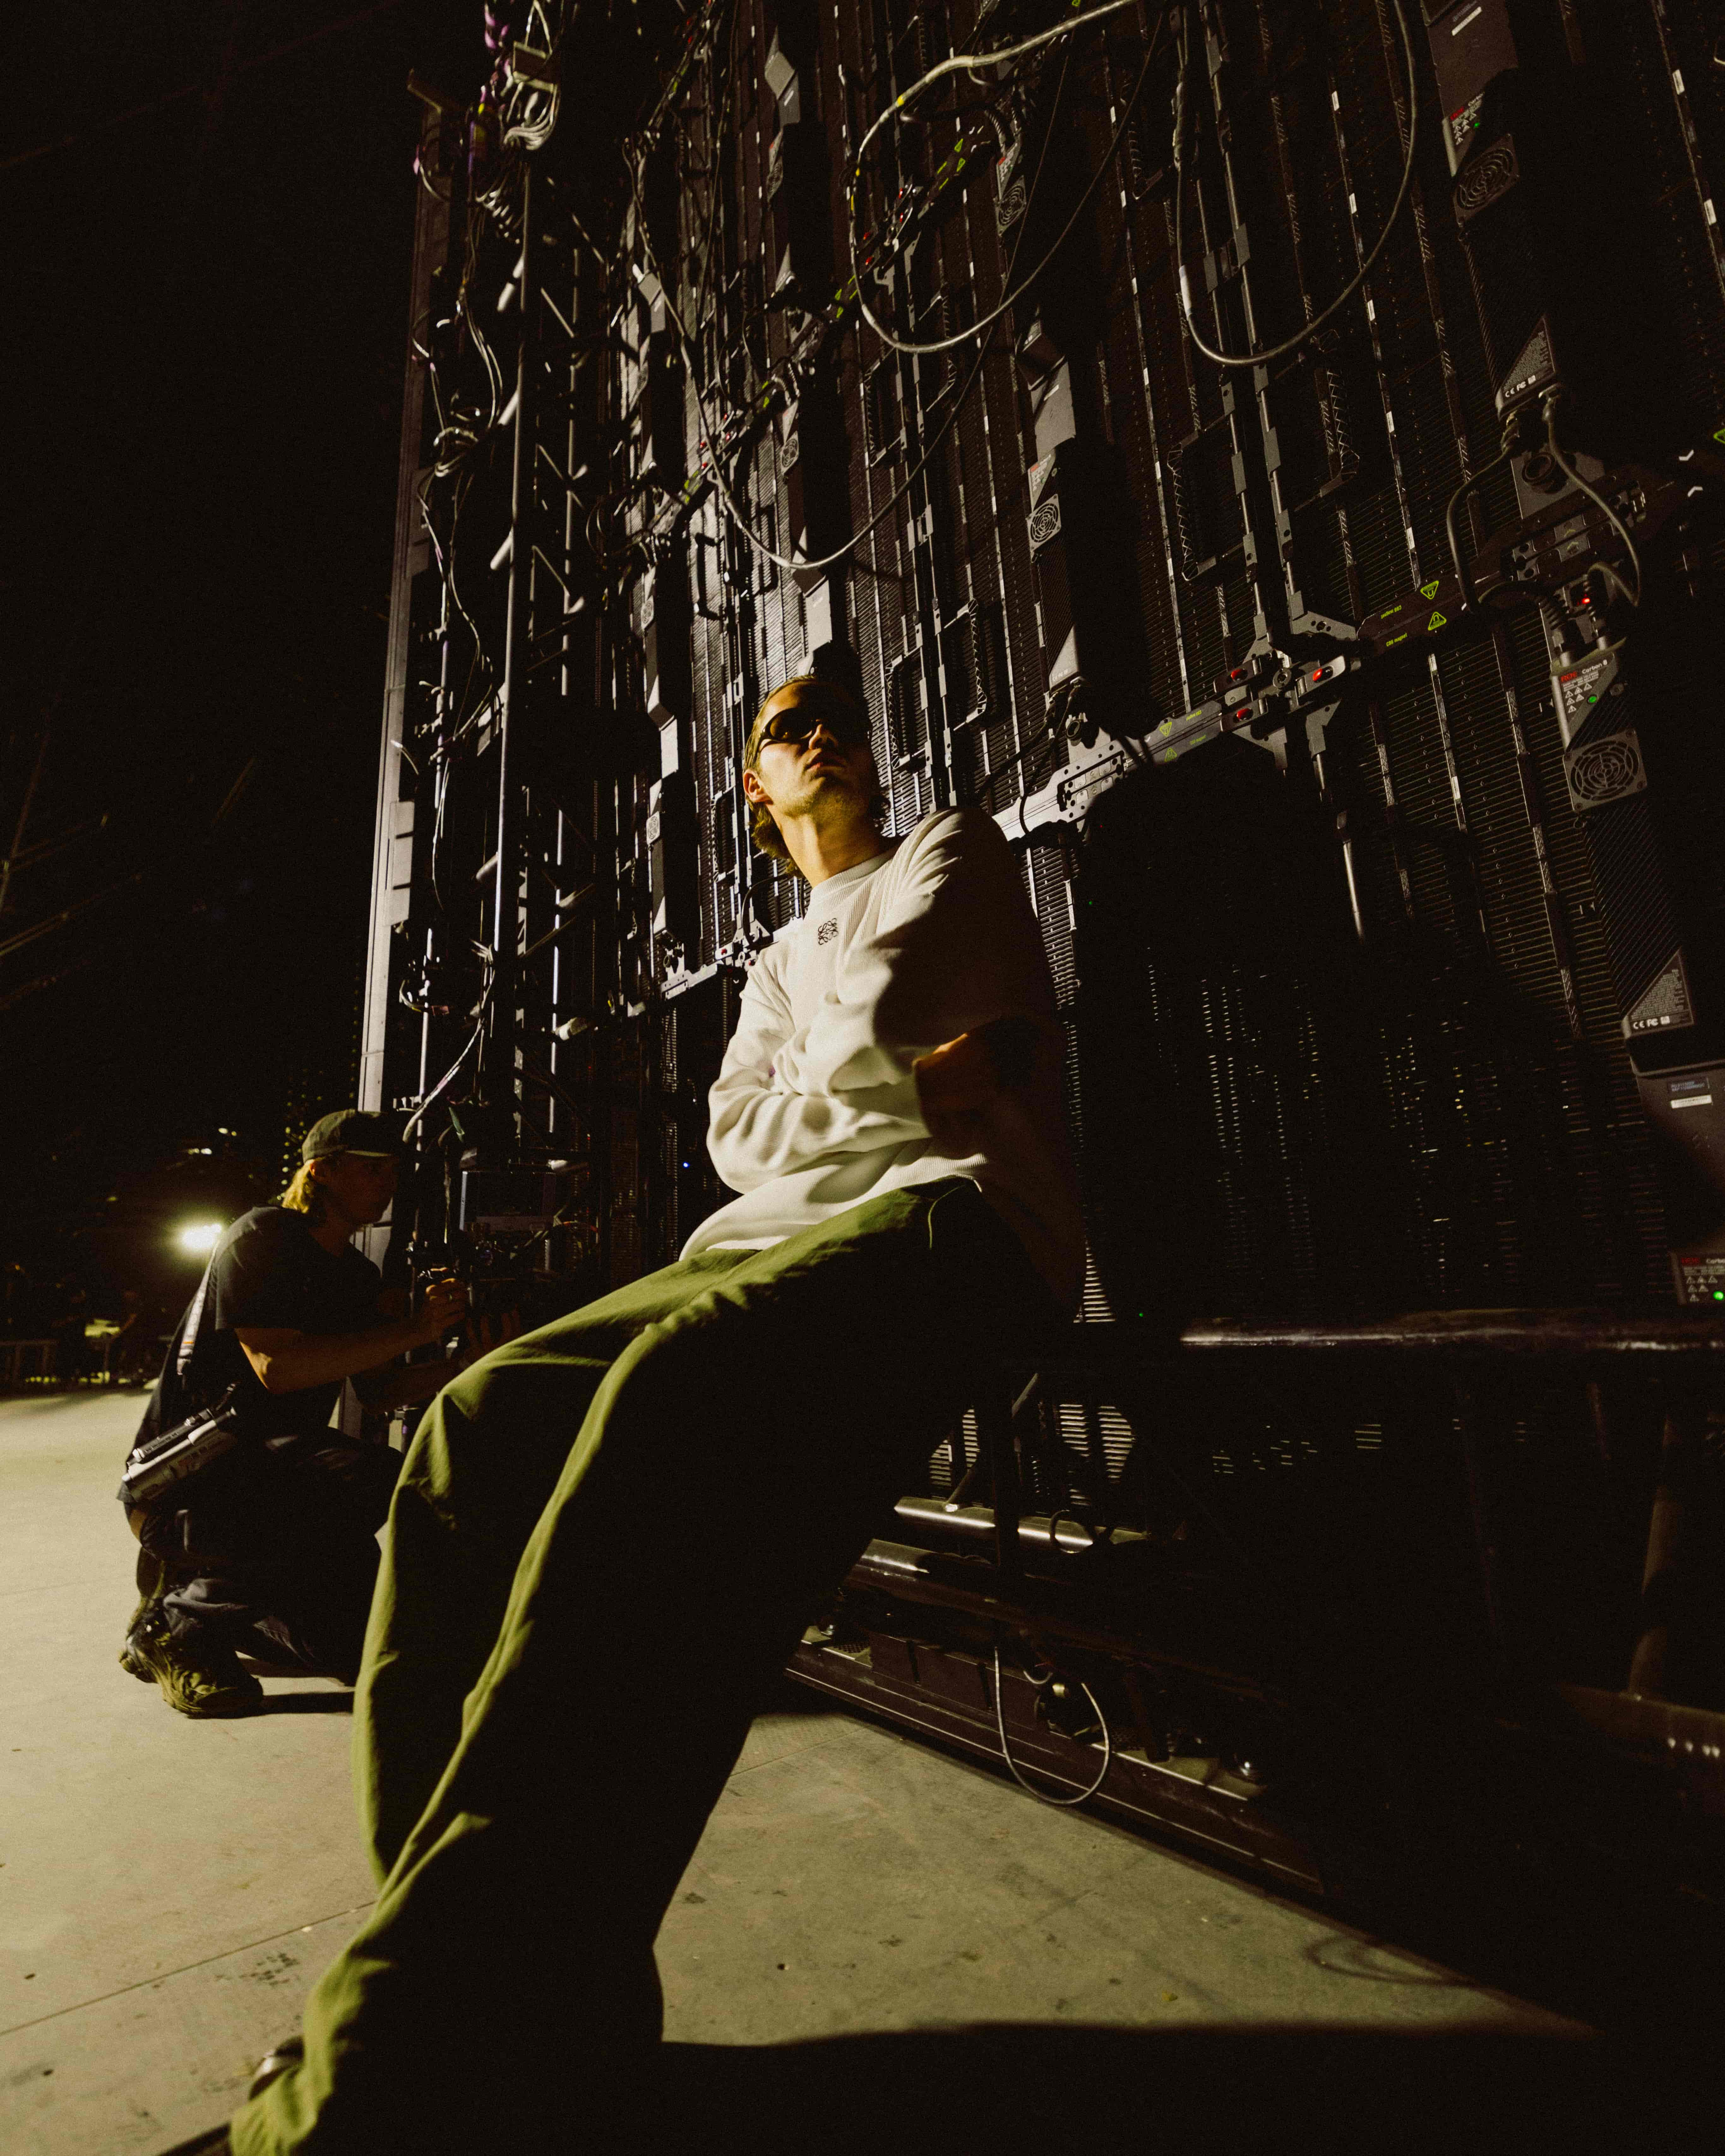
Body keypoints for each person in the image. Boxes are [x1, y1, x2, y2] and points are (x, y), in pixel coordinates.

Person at [219, 672, 1083, 2155]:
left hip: (960, 1217)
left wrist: (854, 1087)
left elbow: (843, 1049)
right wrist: (899, 1079)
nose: (818, 733)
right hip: (769, 1235)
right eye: (784, 728)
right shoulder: (768, 962)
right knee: (468, 1433)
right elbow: (738, 1135)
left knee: (670, 1397)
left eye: (837, 719)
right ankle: (523, 2007)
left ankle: (399, 2057)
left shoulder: (951, 851)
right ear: (753, 787)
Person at [120, 1112, 470, 1717]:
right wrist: (413, 1327)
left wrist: (475, 1359)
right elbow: (277, 1369)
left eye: (394, 1170)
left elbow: (383, 1389)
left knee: (361, 1651)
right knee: (364, 1472)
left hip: (286, 1481)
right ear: (321, 1172)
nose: (388, 1182)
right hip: (190, 1485)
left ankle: (241, 1615)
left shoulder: (356, 1275)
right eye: (371, 1169)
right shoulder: (264, 1236)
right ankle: (180, 1623)